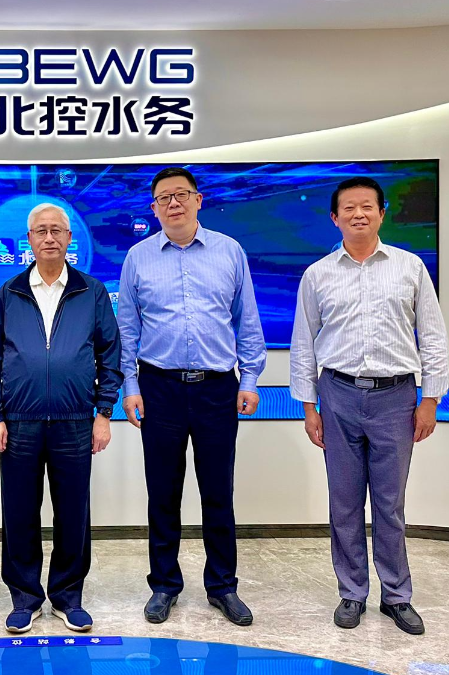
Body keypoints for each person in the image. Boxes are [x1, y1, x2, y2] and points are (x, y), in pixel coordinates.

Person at [289, 176, 449, 635]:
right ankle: (352, 593)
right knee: (343, 502)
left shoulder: (409, 267)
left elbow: (433, 336)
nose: (358, 214)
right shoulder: (318, 274)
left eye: (367, 206)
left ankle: (397, 595)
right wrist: (309, 407)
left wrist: (430, 399)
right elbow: (304, 344)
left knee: (389, 503)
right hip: (337, 394)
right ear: (335, 217)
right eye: (349, 208)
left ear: (381, 213)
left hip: (396, 397)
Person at [117, 167, 267, 626]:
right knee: (163, 493)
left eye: (182, 194)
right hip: (158, 387)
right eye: (164, 198)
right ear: (153, 208)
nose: (174, 203)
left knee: (218, 492)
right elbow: (127, 328)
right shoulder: (138, 257)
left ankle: (223, 586)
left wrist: (249, 379)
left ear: (198, 200)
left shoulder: (229, 251)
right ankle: (164, 585)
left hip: (217, 388)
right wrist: (130, 386)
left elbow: (246, 319)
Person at [0, 203, 122, 634]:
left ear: (70, 238)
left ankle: (67, 596)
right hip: (18, 421)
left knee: (73, 513)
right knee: (19, 513)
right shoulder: (10, 292)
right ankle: (25, 598)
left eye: (57, 230)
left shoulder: (91, 291)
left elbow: (110, 356)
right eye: (41, 230)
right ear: (30, 240)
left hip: (76, 421)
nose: (50, 237)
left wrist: (103, 413)